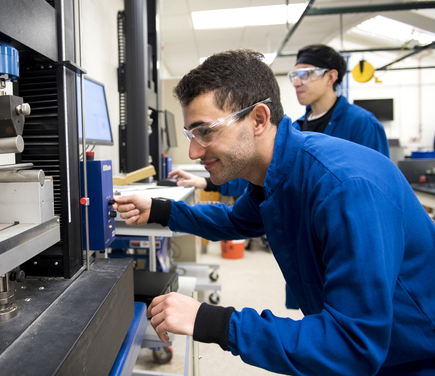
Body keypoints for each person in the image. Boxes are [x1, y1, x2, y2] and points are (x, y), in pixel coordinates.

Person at [113, 49, 435, 374]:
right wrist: (159, 209)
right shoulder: (279, 173)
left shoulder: (344, 187)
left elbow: (352, 344)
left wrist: (211, 321)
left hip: (414, 359)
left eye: (206, 131)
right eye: (191, 135)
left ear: (259, 119)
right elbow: (234, 221)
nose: (194, 151)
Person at [168, 43, 389, 196]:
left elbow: (377, 187)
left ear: (331, 77)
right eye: (294, 76)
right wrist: (204, 183)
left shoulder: (362, 123)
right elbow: (255, 175)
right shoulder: (299, 127)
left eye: (305, 74)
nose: (297, 83)